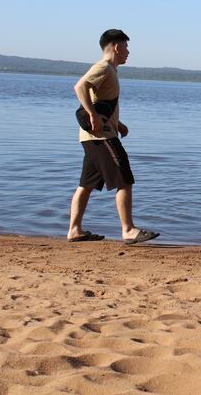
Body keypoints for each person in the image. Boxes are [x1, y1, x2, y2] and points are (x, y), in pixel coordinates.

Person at [67, 29, 159, 244]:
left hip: (94, 136)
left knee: (86, 184)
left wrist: (118, 124)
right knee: (124, 179)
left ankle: (74, 230)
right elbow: (80, 86)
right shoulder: (104, 68)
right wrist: (91, 115)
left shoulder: (111, 71)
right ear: (117, 47)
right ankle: (128, 230)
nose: (128, 52)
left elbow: (102, 103)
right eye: (126, 47)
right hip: (101, 137)